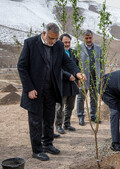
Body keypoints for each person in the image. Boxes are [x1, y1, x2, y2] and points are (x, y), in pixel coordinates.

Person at [17, 23, 85, 161]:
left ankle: (47, 144)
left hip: (51, 89)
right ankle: (37, 150)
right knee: (35, 121)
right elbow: (22, 66)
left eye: (55, 39)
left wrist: (77, 72)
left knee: (49, 119)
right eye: (51, 38)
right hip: (34, 90)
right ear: (44, 33)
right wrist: (29, 88)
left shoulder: (58, 46)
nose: (53, 42)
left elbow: (66, 62)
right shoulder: (30, 43)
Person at [76, 29, 103, 125]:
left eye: (90, 38)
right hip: (83, 77)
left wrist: (101, 76)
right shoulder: (78, 48)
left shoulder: (98, 49)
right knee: (81, 97)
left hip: (95, 77)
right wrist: (78, 76)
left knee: (94, 97)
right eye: (86, 38)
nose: (88, 40)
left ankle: (93, 115)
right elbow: (75, 64)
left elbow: (101, 63)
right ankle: (80, 116)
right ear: (83, 38)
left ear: (92, 37)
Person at [54, 33, 79, 134]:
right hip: (62, 83)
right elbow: (57, 68)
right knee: (60, 106)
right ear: (60, 42)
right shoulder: (57, 53)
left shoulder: (74, 53)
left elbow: (76, 66)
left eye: (69, 42)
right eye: (65, 42)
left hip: (73, 84)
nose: (67, 44)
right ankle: (58, 125)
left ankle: (67, 123)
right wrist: (68, 76)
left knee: (70, 106)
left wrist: (78, 79)